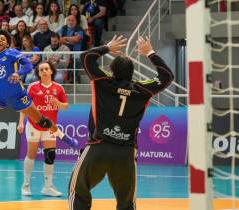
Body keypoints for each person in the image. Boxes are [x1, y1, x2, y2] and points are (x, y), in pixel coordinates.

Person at [68, 36, 174, 210]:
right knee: (126, 203)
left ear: (111, 70)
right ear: (132, 73)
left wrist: (107, 48)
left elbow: (86, 57)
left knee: (78, 189)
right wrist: (150, 53)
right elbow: (167, 76)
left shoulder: (102, 81)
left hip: (98, 146)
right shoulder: (142, 89)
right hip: (125, 152)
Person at [18, 61, 68, 197]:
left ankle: (48, 187)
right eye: (41, 70)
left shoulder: (59, 88)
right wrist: (21, 122)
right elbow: (24, 106)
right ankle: (26, 185)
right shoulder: (33, 87)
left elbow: (65, 106)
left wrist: (58, 103)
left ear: (51, 71)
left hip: (50, 127)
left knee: (50, 154)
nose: (45, 71)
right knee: (31, 155)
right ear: (38, 73)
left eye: (47, 69)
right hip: (34, 125)